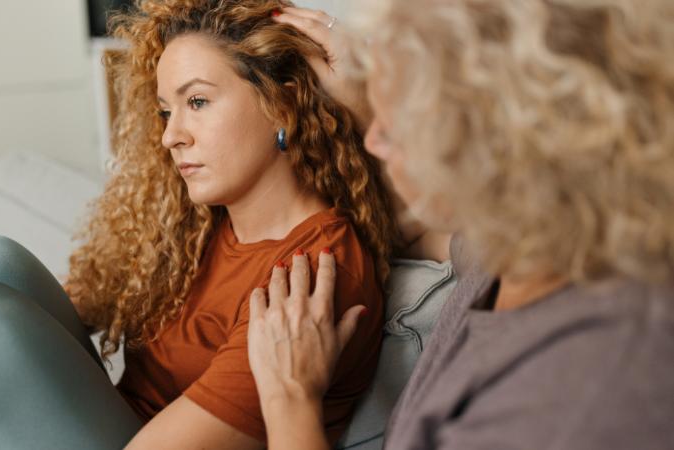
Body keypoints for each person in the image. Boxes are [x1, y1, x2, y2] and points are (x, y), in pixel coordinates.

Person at [0, 1, 402, 449]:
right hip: (117, 422)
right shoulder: (200, 226)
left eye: (197, 101)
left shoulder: (311, 272)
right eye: (167, 111)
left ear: (283, 106)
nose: (172, 136)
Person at [250, 1, 674, 449]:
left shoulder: (580, 400)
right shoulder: (532, 241)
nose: (373, 141)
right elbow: (437, 232)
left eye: (407, 114)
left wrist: (290, 399)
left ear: (512, 132)